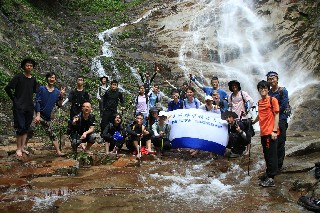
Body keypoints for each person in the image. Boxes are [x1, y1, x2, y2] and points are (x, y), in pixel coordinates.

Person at [5, 58, 38, 157]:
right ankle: (18, 149)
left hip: (29, 106)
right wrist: (14, 100)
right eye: (27, 65)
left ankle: (23, 147)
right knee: (20, 127)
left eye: (31, 66)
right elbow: (8, 88)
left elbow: (37, 91)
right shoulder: (18, 77)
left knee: (26, 128)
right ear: (24, 66)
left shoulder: (33, 79)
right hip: (19, 107)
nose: (29, 67)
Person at [28, 72, 65, 156]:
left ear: (55, 80)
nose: (51, 79)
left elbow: (59, 105)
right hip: (38, 114)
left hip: (47, 117)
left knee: (52, 134)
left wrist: (61, 96)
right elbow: (37, 101)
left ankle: (58, 151)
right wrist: (38, 115)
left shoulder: (57, 92)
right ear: (47, 78)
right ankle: (23, 147)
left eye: (53, 78)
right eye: (50, 77)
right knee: (30, 129)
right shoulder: (41, 88)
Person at [253, 80, 279, 187]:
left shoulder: (273, 100)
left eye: (265, 88)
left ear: (268, 89)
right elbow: (260, 115)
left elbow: (277, 115)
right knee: (266, 154)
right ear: (258, 90)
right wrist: (253, 121)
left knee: (272, 155)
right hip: (263, 132)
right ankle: (268, 174)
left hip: (270, 132)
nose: (263, 90)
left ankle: (271, 178)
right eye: (261, 88)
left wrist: (274, 131)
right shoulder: (259, 102)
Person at [266, 71, 289, 172]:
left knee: (280, 142)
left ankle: (279, 165)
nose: (271, 81)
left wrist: (275, 113)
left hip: (281, 119)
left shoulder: (283, 91)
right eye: (269, 79)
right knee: (272, 142)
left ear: (277, 79)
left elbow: (283, 105)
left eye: (273, 79)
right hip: (272, 120)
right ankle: (273, 164)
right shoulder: (269, 93)